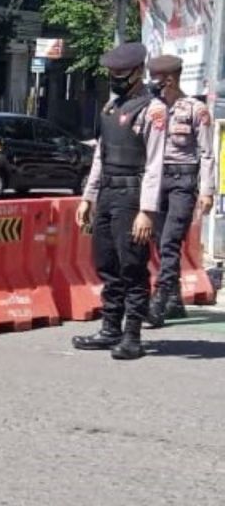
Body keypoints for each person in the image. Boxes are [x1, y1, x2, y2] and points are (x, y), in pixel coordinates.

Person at [73, 43, 168, 360]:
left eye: (121, 74)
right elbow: (101, 155)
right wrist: (88, 196)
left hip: (133, 195)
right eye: (111, 74)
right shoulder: (110, 109)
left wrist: (147, 211)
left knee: (132, 265)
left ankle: (133, 336)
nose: (115, 79)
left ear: (138, 72)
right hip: (107, 194)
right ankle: (110, 328)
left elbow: (155, 164)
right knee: (107, 262)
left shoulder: (153, 110)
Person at [145, 54, 217, 327]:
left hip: (183, 182)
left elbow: (207, 153)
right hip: (156, 181)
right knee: (160, 242)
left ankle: (160, 301)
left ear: (170, 80)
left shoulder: (195, 109)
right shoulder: (153, 109)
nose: (153, 85)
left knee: (170, 242)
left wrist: (207, 190)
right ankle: (175, 301)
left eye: (157, 80)